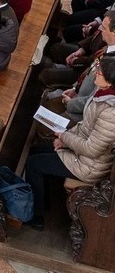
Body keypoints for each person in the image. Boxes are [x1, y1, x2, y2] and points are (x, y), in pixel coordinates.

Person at [24, 56, 115, 230]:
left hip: (89, 166)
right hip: (81, 153)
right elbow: (84, 125)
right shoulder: (102, 95)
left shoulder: (111, 113)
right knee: (35, 150)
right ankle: (43, 201)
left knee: (34, 164)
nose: (96, 73)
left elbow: (91, 149)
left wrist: (64, 138)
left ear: (110, 81)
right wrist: (63, 138)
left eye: (100, 73)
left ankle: (36, 217)